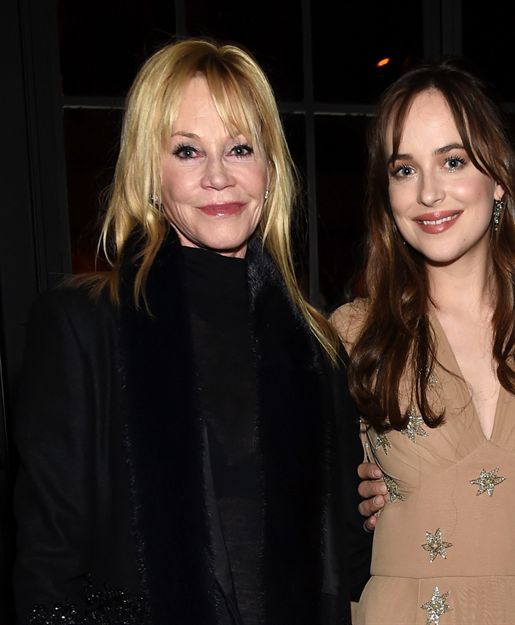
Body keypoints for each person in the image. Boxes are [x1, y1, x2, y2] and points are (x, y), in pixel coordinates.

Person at [13, 39, 368, 624]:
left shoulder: (316, 350)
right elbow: (47, 572)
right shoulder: (83, 329)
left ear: (270, 172)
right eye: (187, 151)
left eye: (239, 148)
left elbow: (350, 563)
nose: (218, 176)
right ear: (151, 174)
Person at [331, 59, 515, 624]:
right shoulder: (352, 335)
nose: (429, 192)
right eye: (404, 170)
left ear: (499, 179)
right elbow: (311, 518)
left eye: (452, 161)